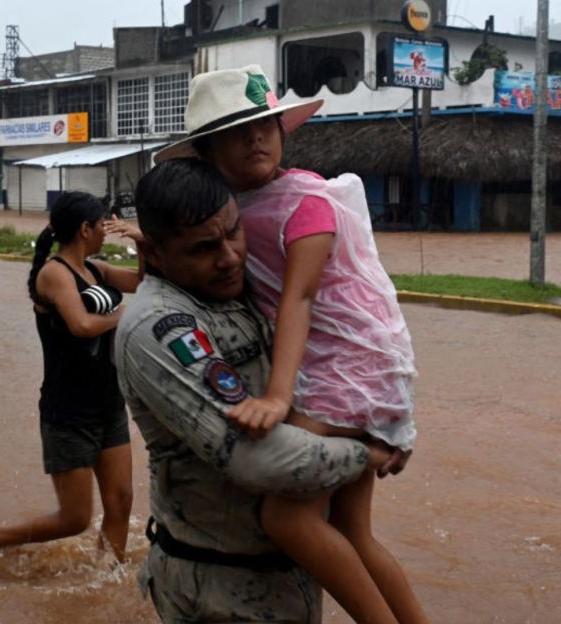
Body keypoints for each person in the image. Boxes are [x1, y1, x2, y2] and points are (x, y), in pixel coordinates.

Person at [156, 65, 424, 623]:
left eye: (266, 125)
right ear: (206, 151)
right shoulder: (232, 214)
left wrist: (279, 399)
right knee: (352, 531)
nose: (256, 137)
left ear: (282, 132)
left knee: (286, 518)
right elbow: (196, 273)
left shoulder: (308, 202)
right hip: (338, 369)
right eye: (237, 129)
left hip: (349, 368)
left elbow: (298, 298)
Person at [117, 158, 394, 623]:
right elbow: (255, 459)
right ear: (156, 253)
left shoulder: (245, 284)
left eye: (233, 233)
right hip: (220, 593)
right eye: (204, 248)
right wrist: (366, 456)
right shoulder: (160, 328)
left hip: (289, 578)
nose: (228, 257)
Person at [0, 192, 143, 560]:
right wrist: (123, 318)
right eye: (102, 224)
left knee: (121, 502)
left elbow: (141, 281)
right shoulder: (54, 273)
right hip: (68, 411)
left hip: (108, 402)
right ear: (85, 229)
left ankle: (107, 576)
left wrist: (141, 240)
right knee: (75, 519)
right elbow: (82, 325)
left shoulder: (95, 269)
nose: (106, 230)